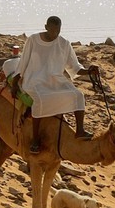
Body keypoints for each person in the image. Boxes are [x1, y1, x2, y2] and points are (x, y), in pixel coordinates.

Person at [15, 15, 88, 153]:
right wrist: (16, 81)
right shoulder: (33, 40)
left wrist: (89, 71)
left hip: (56, 80)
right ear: (46, 27)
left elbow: (75, 67)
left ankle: (80, 130)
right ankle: (35, 140)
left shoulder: (64, 43)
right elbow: (23, 62)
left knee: (78, 95)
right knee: (40, 99)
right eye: (52, 30)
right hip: (34, 80)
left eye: (58, 31)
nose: (55, 34)